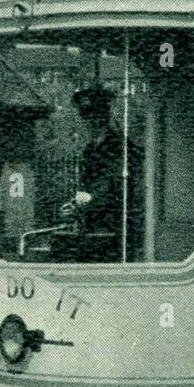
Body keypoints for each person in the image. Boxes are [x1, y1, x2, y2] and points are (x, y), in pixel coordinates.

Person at [60, 86, 139, 262]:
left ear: (104, 116)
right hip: (93, 227)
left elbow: (116, 184)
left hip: (114, 227)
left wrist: (89, 200)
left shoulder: (120, 146)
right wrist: (75, 205)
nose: (89, 121)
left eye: (93, 115)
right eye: (85, 115)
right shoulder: (91, 149)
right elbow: (89, 186)